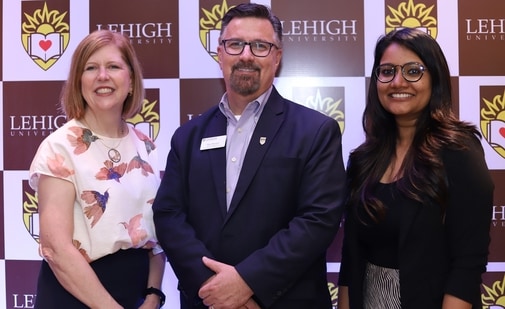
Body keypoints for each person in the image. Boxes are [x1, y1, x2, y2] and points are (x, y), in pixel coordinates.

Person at [152, 3, 346, 309]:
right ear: (220, 53)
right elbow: (168, 216)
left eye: (260, 46)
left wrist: (247, 283)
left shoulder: (316, 131)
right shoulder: (187, 136)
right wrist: (212, 286)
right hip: (207, 302)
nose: (246, 55)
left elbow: (318, 220)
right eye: (235, 44)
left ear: (277, 56)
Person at [337, 28, 494, 309]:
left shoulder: (459, 152)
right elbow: (351, 260)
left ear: (435, 79)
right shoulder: (363, 160)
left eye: (413, 71)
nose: (398, 82)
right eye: (387, 71)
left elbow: (467, 263)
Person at [29, 29, 166, 309]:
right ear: (79, 82)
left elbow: (155, 238)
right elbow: (56, 249)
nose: (102, 76)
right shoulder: (60, 147)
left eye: (113, 66)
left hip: (136, 295)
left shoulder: (146, 145)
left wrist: (153, 295)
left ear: (130, 81)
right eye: (91, 68)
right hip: (74, 298)